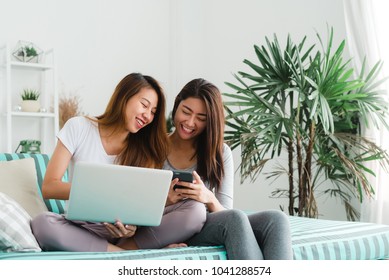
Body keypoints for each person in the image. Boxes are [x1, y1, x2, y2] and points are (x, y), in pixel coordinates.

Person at [31, 73, 206, 252]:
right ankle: (122, 253)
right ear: (124, 97)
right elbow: (49, 187)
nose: (147, 115)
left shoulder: (145, 150)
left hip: (121, 231)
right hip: (81, 227)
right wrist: (101, 191)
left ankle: (120, 248)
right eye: (144, 105)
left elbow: (139, 205)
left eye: (153, 112)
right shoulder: (79, 127)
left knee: (196, 211)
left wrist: (131, 229)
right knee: (42, 223)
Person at [164, 78, 293, 259]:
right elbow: (139, 207)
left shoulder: (220, 152)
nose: (190, 122)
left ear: (210, 122)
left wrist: (208, 197)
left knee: (276, 220)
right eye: (186, 112)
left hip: (206, 224)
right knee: (236, 219)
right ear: (177, 105)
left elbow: (225, 211)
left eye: (201, 118)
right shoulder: (155, 147)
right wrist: (167, 201)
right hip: (172, 225)